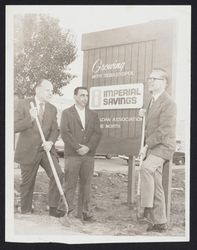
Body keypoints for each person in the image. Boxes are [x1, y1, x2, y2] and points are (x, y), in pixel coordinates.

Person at [14, 79, 65, 218]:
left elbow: (55, 130)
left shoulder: (52, 108)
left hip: (46, 150)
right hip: (28, 150)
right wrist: (30, 118)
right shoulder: (24, 104)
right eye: (47, 90)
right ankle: (25, 211)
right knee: (28, 182)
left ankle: (53, 209)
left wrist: (51, 141)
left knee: (58, 175)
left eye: (52, 91)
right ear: (38, 89)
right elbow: (13, 126)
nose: (50, 93)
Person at [138, 68, 176, 232]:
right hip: (154, 146)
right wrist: (144, 113)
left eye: (154, 78)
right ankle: (160, 222)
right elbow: (152, 121)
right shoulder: (151, 100)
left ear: (164, 83)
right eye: (150, 78)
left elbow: (164, 131)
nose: (150, 81)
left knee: (146, 168)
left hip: (163, 146)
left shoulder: (169, 103)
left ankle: (146, 207)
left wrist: (146, 146)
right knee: (156, 182)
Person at [60, 86, 102, 221]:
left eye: (87, 96)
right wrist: (78, 147)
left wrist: (88, 147)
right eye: (82, 95)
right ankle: (67, 211)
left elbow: (97, 133)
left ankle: (85, 213)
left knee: (86, 184)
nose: (85, 98)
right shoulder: (67, 113)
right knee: (70, 183)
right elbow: (65, 133)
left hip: (88, 156)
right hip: (73, 154)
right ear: (75, 96)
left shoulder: (93, 115)